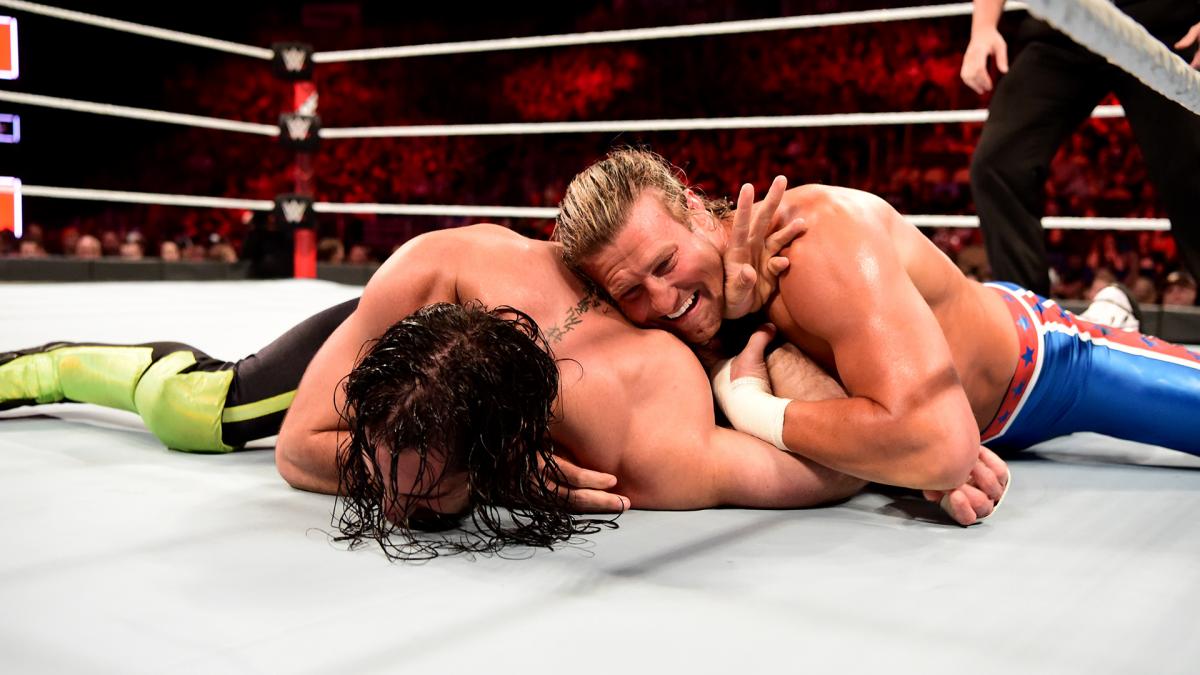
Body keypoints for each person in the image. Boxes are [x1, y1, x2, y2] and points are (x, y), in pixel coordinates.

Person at [2, 223, 891, 561]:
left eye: (421, 500)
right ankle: (42, 365)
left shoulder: (645, 445)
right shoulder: (446, 264)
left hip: (542, 379)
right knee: (203, 408)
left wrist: (757, 401)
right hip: (415, 331)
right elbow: (297, 446)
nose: (388, 504)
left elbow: (837, 468)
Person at [553, 148, 1200, 506]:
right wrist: (902, 458)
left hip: (1037, 366)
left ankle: (1100, 321)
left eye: (666, 263)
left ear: (695, 208)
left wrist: (749, 406)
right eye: (632, 289)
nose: (663, 299)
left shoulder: (813, 240)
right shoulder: (699, 307)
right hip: (941, 388)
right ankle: (1108, 311)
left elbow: (941, 444)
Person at [962, 0, 1200, 299]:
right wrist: (983, 27)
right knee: (998, 163)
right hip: (1069, 27)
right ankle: (1029, 315)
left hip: (1164, 26)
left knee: (1192, 173)